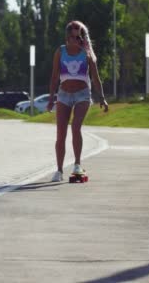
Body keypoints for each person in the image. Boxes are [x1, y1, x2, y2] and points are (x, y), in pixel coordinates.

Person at [46, 20, 108, 182]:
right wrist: (51, 98)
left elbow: (95, 78)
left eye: (80, 37)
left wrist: (102, 98)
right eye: (73, 37)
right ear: (67, 37)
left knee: (75, 127)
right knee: (61, 134)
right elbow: (54, 77)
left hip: (82, 94)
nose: (77, 40)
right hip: (64, 94)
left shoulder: (87, 54)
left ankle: (77, 165)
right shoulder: (60, 52)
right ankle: (59, 170)